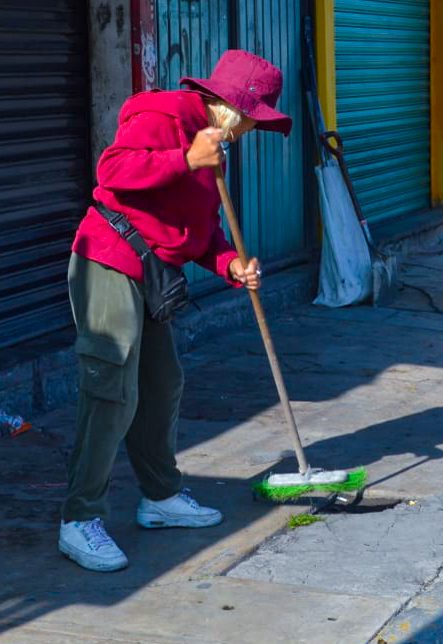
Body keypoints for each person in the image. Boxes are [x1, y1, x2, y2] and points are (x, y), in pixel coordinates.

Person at [59, 50, 293, 572]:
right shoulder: (164, 115)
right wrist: (185, 158)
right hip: (109, 260)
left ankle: (160, 498)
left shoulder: (215, 148)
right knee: (112, 388)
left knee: (161, 384)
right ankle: (79, 519)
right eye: (254, 118)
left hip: (152, 276)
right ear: (232, 107)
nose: (253, 129)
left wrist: (230, 263)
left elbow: (198, 231)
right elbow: (113, 169)